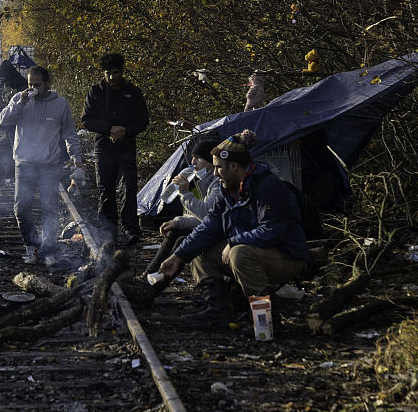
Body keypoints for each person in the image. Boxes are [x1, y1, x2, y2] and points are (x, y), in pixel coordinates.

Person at [154, 131, 309, 326]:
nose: (215, 173)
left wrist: (234, 241)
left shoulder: (267, 186)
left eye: (218, 167)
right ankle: (217, 311)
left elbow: (273, 231)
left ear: (234, 166)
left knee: (239, 253)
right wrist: (179, 256)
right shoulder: (227, 190)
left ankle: (266, 322)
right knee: (201, 250)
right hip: (252, 252)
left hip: (286, 256)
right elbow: (209, 225)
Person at [0, 66, 83, 267]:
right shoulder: (20, 100)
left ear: (47, 84)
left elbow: (70, 134)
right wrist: (20, 103)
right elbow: (3, 120)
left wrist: (77, 160)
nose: (32, 89)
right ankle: (31, 245)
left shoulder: (60, 104)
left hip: (48, 166)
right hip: (24, 164)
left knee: (49, 209)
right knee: (21, 209)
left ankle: (48, 250)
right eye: (29, 85)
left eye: (37, 85)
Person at [81, 52, 150, 246]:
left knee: (128, 187)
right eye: (108, 73)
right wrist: (109, 128)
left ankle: (131, 230)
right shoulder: (95, 92)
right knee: (106, 189)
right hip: (103, 147)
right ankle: (108, 231)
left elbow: (143, 119)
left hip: (127, 147)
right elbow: (87, 119)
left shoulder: (133, 92)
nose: (112, 77)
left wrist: (125, 130)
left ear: (122, 71)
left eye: (115, 72)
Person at [142, 134, 223, 279]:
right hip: (213, 229)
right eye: (193, 157)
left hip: (222, 235)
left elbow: (208, 217)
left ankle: (154, 278)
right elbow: (206, 218)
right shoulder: (203, 179)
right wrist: (178, 221)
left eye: (198, 158)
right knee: (175, 231)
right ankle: (149, 276)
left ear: (211, 162)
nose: (193, 162)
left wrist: (185, 193)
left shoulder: (218, 183)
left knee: (181, 239)